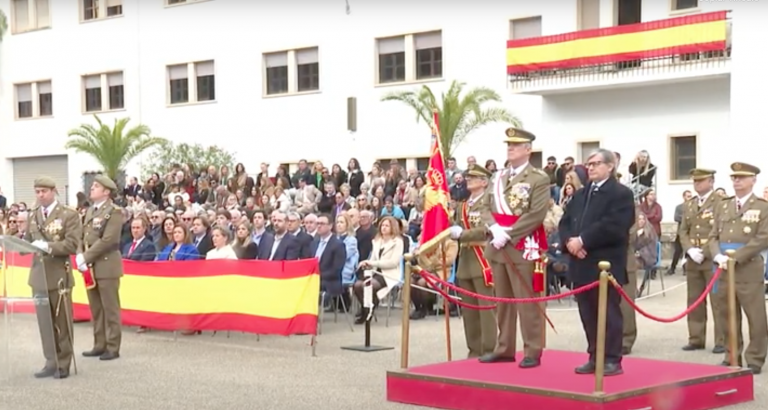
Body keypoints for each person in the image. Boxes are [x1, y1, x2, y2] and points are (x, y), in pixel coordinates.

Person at [558, 149, 634, 376]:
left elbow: (614, 226)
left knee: (608, 313)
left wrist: (583, 241)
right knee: (588, 313)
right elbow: (565, 222)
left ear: (610, 166)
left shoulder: (621, 194)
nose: (590, 168)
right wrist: (570, 242)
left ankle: (612, 358)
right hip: (581, 264)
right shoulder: (581, 195)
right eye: (588, 164)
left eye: (596, 163)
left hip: (605, 263)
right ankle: (594, 355)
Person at [478, 128, 550, 369]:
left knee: (526, 302)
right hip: (498, 245)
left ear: (528, 149)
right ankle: (504, 348)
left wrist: (508, 234)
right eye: (509, 144)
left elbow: (536, 214)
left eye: (516, 145)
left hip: (522, 245)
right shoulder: (497, 177)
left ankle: (532, 349)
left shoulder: (538, 178)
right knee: (503, 302)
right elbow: (485, 206)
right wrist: (494, 228)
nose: (510, 148)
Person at [709, 162, 768, 375]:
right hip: (723, 268)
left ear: (753, 180)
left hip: (748, 268)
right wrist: (716, 255)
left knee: (756, 317)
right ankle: (731, 355)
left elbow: (763, 238)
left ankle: (755, 358)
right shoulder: (723, 205)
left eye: (742, 177)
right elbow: (713, 235)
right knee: (727, 314)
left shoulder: (762, 207)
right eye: (734, 177)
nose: (737, 181)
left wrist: (736, 257)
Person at [26, 177, 82, 379]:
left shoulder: (68, 215)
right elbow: (27, 241)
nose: (40, 195)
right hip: (38, 276)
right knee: (45, 323)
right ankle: (50, 360)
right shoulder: (33, 216)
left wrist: (48, 247)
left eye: (44, 191)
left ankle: (64, 362)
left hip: (59, 275)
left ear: (53, 191)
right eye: (37, 191)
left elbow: (72, 244)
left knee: (62, 322)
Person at [449, 164, 497, 357]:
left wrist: (463, 234)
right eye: (468, 177)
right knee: (469, 311)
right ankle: (474, 349)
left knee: (486, 309)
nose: (468, 180)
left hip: (482, 258)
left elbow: (488, 229)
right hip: (466, 259)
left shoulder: (489, 202)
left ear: (484, 182)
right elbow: (457, 227)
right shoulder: (463, 206)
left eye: (473, 177)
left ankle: (489, 348)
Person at [77, 175, 125, 361]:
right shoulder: (90, 211)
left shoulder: (114, 211)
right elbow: (82, 236)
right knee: (96, 308)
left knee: (110, 308)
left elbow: (109, 240)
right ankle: (99, 344)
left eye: (96, 186)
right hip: (90, 266)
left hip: (106, 264)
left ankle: (113, 346)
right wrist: (80, 253)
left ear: (106, 191)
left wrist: (86, 256)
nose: (92, 188)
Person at [679, 168, 725, 354]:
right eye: (695, 181)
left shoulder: (721, 203)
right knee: (694, 300)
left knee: (718, 301)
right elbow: (683, 230)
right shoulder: (689, 205)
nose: (697, 184)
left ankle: (721, 339)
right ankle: (696, 338)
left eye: (701, 180)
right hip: (693, 259)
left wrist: (705, 252)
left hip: (712, 258)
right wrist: (689, 249)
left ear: (711, 181)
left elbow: (721, 231)